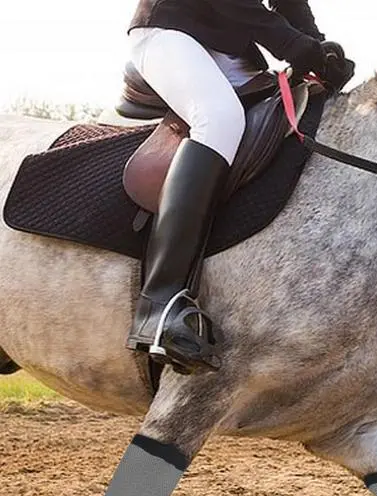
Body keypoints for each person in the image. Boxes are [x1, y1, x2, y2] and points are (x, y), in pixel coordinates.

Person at [125, 0, 354, 373]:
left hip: (228, 45)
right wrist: (300, 48)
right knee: (218, 119)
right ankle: (158, 304)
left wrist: (319, 49)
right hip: (171, 31)